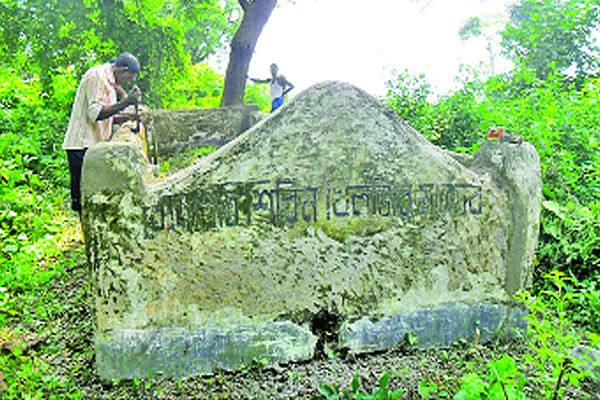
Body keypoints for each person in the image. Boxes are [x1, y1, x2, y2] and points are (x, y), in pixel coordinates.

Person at [62, 52, 142, 217]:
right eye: (129, 78)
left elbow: (107, 118)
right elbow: (95, 114)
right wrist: (126, 102)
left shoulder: (110, 83)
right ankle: (86, 238)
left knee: (95, 197)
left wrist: (128, 117)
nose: (128, 82)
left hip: (93, 146)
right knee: (83, 200)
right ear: (122, 70)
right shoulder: (97, 76)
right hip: (81, 146)